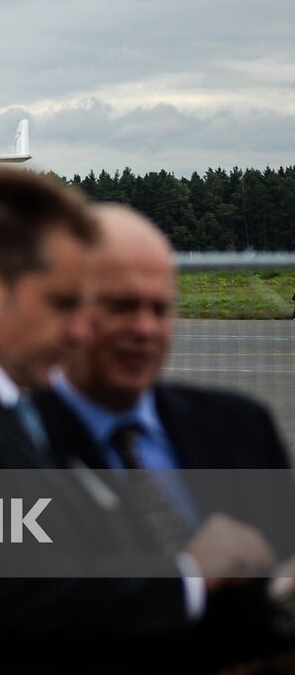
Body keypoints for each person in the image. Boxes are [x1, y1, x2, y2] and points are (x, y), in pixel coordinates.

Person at [0, 168, 277, 675]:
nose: (77, 331)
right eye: (63, 303)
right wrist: (189, 574)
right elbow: (1, 589)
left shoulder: (2, 410)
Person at [34, 204, 295, 671]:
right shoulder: (6, 444)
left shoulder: (242, 426)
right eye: (121, 306)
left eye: (160, 308)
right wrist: (189, 576)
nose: (145, 329)